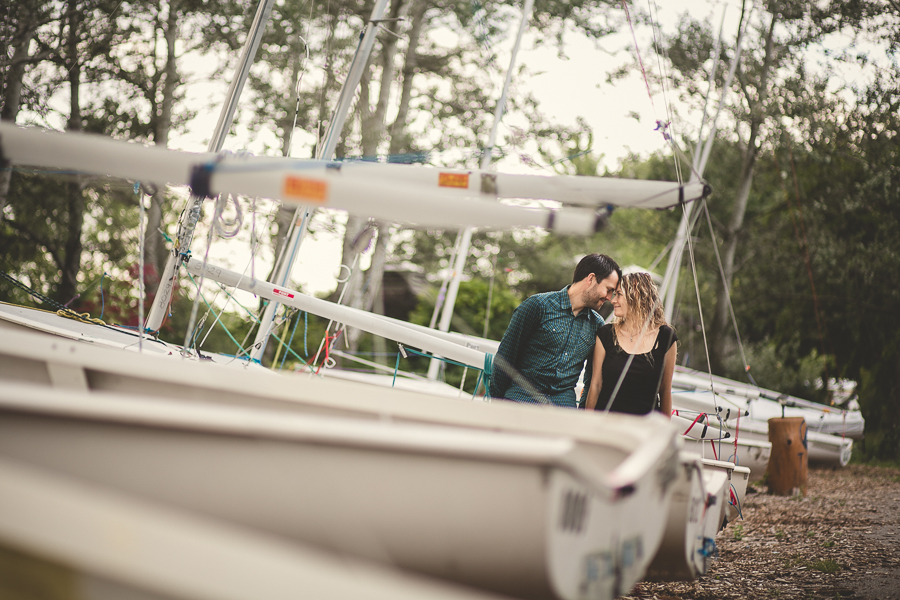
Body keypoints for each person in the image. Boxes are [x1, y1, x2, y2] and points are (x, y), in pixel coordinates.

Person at [491, 254, 621, 408]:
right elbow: (505, 357)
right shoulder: (538, 306)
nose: (609, 298)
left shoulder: (597, 324)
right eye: (608, 290)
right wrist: (497, 405)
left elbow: (592, 378)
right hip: (520, 400)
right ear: (591, 279)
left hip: (563, 408)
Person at [583, 271, 677, 415]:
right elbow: (596, 385)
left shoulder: (666, 337)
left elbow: (665, 390)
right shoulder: (606, 334)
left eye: (619, 294)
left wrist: (663, 433)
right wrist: (587, 423)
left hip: (644, 430)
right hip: (605, 425)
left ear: (636, 296)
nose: (613, 300)